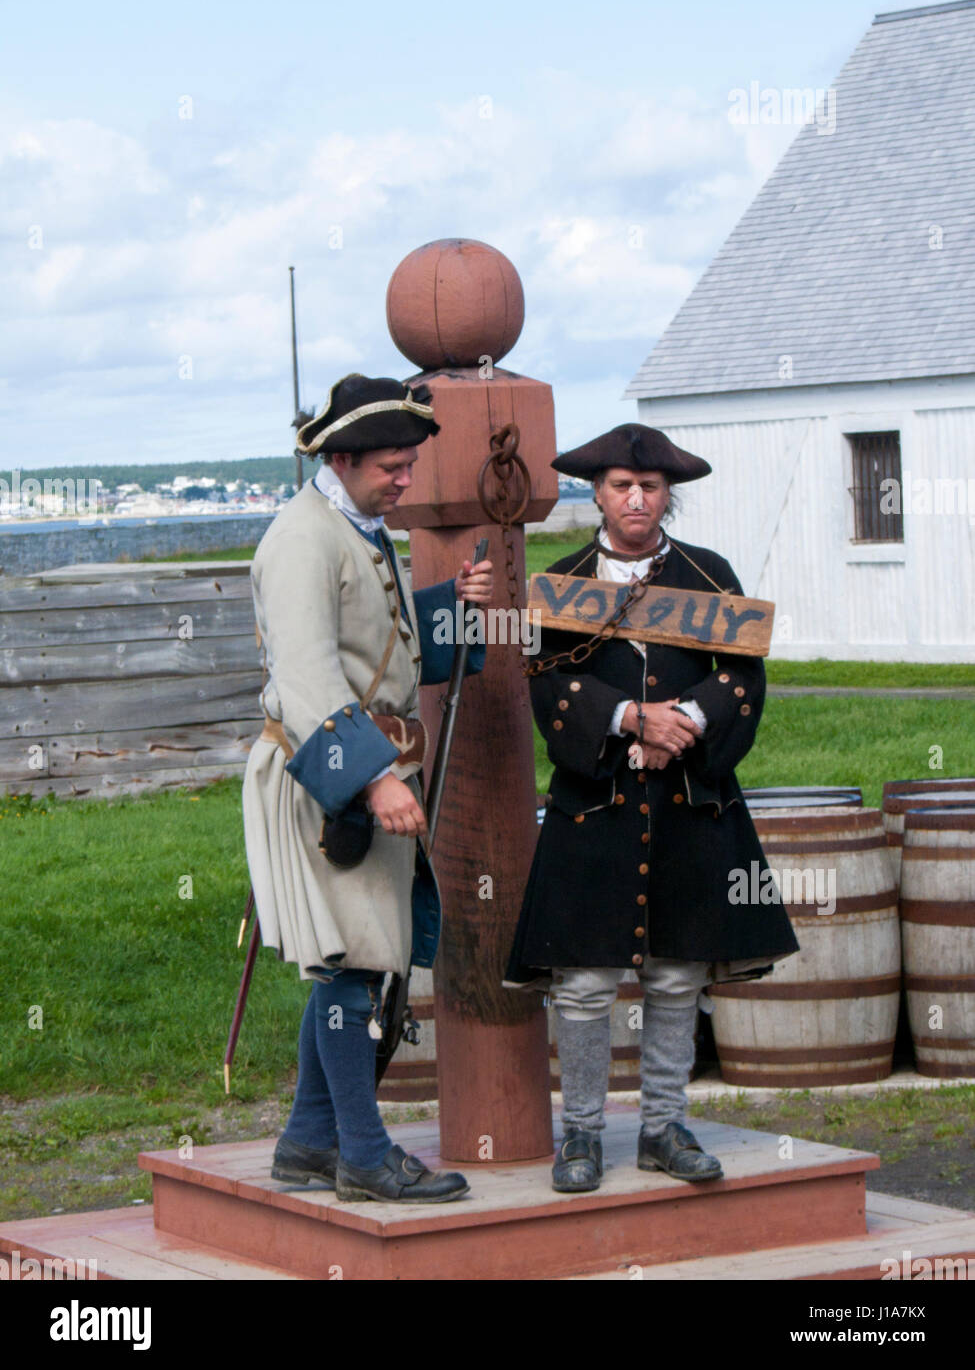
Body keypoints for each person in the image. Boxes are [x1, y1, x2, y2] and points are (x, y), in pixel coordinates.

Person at [504, 423, 798, 1192]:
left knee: (675, 975)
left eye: (651, 488)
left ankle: (664, 1127)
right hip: (594, 799)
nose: (636, 500)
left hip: (687, 798)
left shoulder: (709, 574)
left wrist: (685, 723)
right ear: (596, 494)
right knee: (584, 982)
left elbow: (740, 677)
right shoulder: (560, 583)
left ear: (669, 496)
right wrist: (629, 720)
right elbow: (547, 683)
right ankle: (581, 1137)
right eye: (620, 487)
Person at [243, 373, 492, 1203]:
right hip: (325, 778)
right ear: (341, 458)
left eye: (409, 465)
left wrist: (449, 607)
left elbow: (372, 628)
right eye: (391, 466)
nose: (405, 481)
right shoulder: (300, 538)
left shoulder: (350, 524)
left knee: (350, 958)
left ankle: (309, 1142)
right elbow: (309, 672)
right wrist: (378, 778)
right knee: (348, 963)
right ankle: (363, 1154)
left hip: (354, 769)